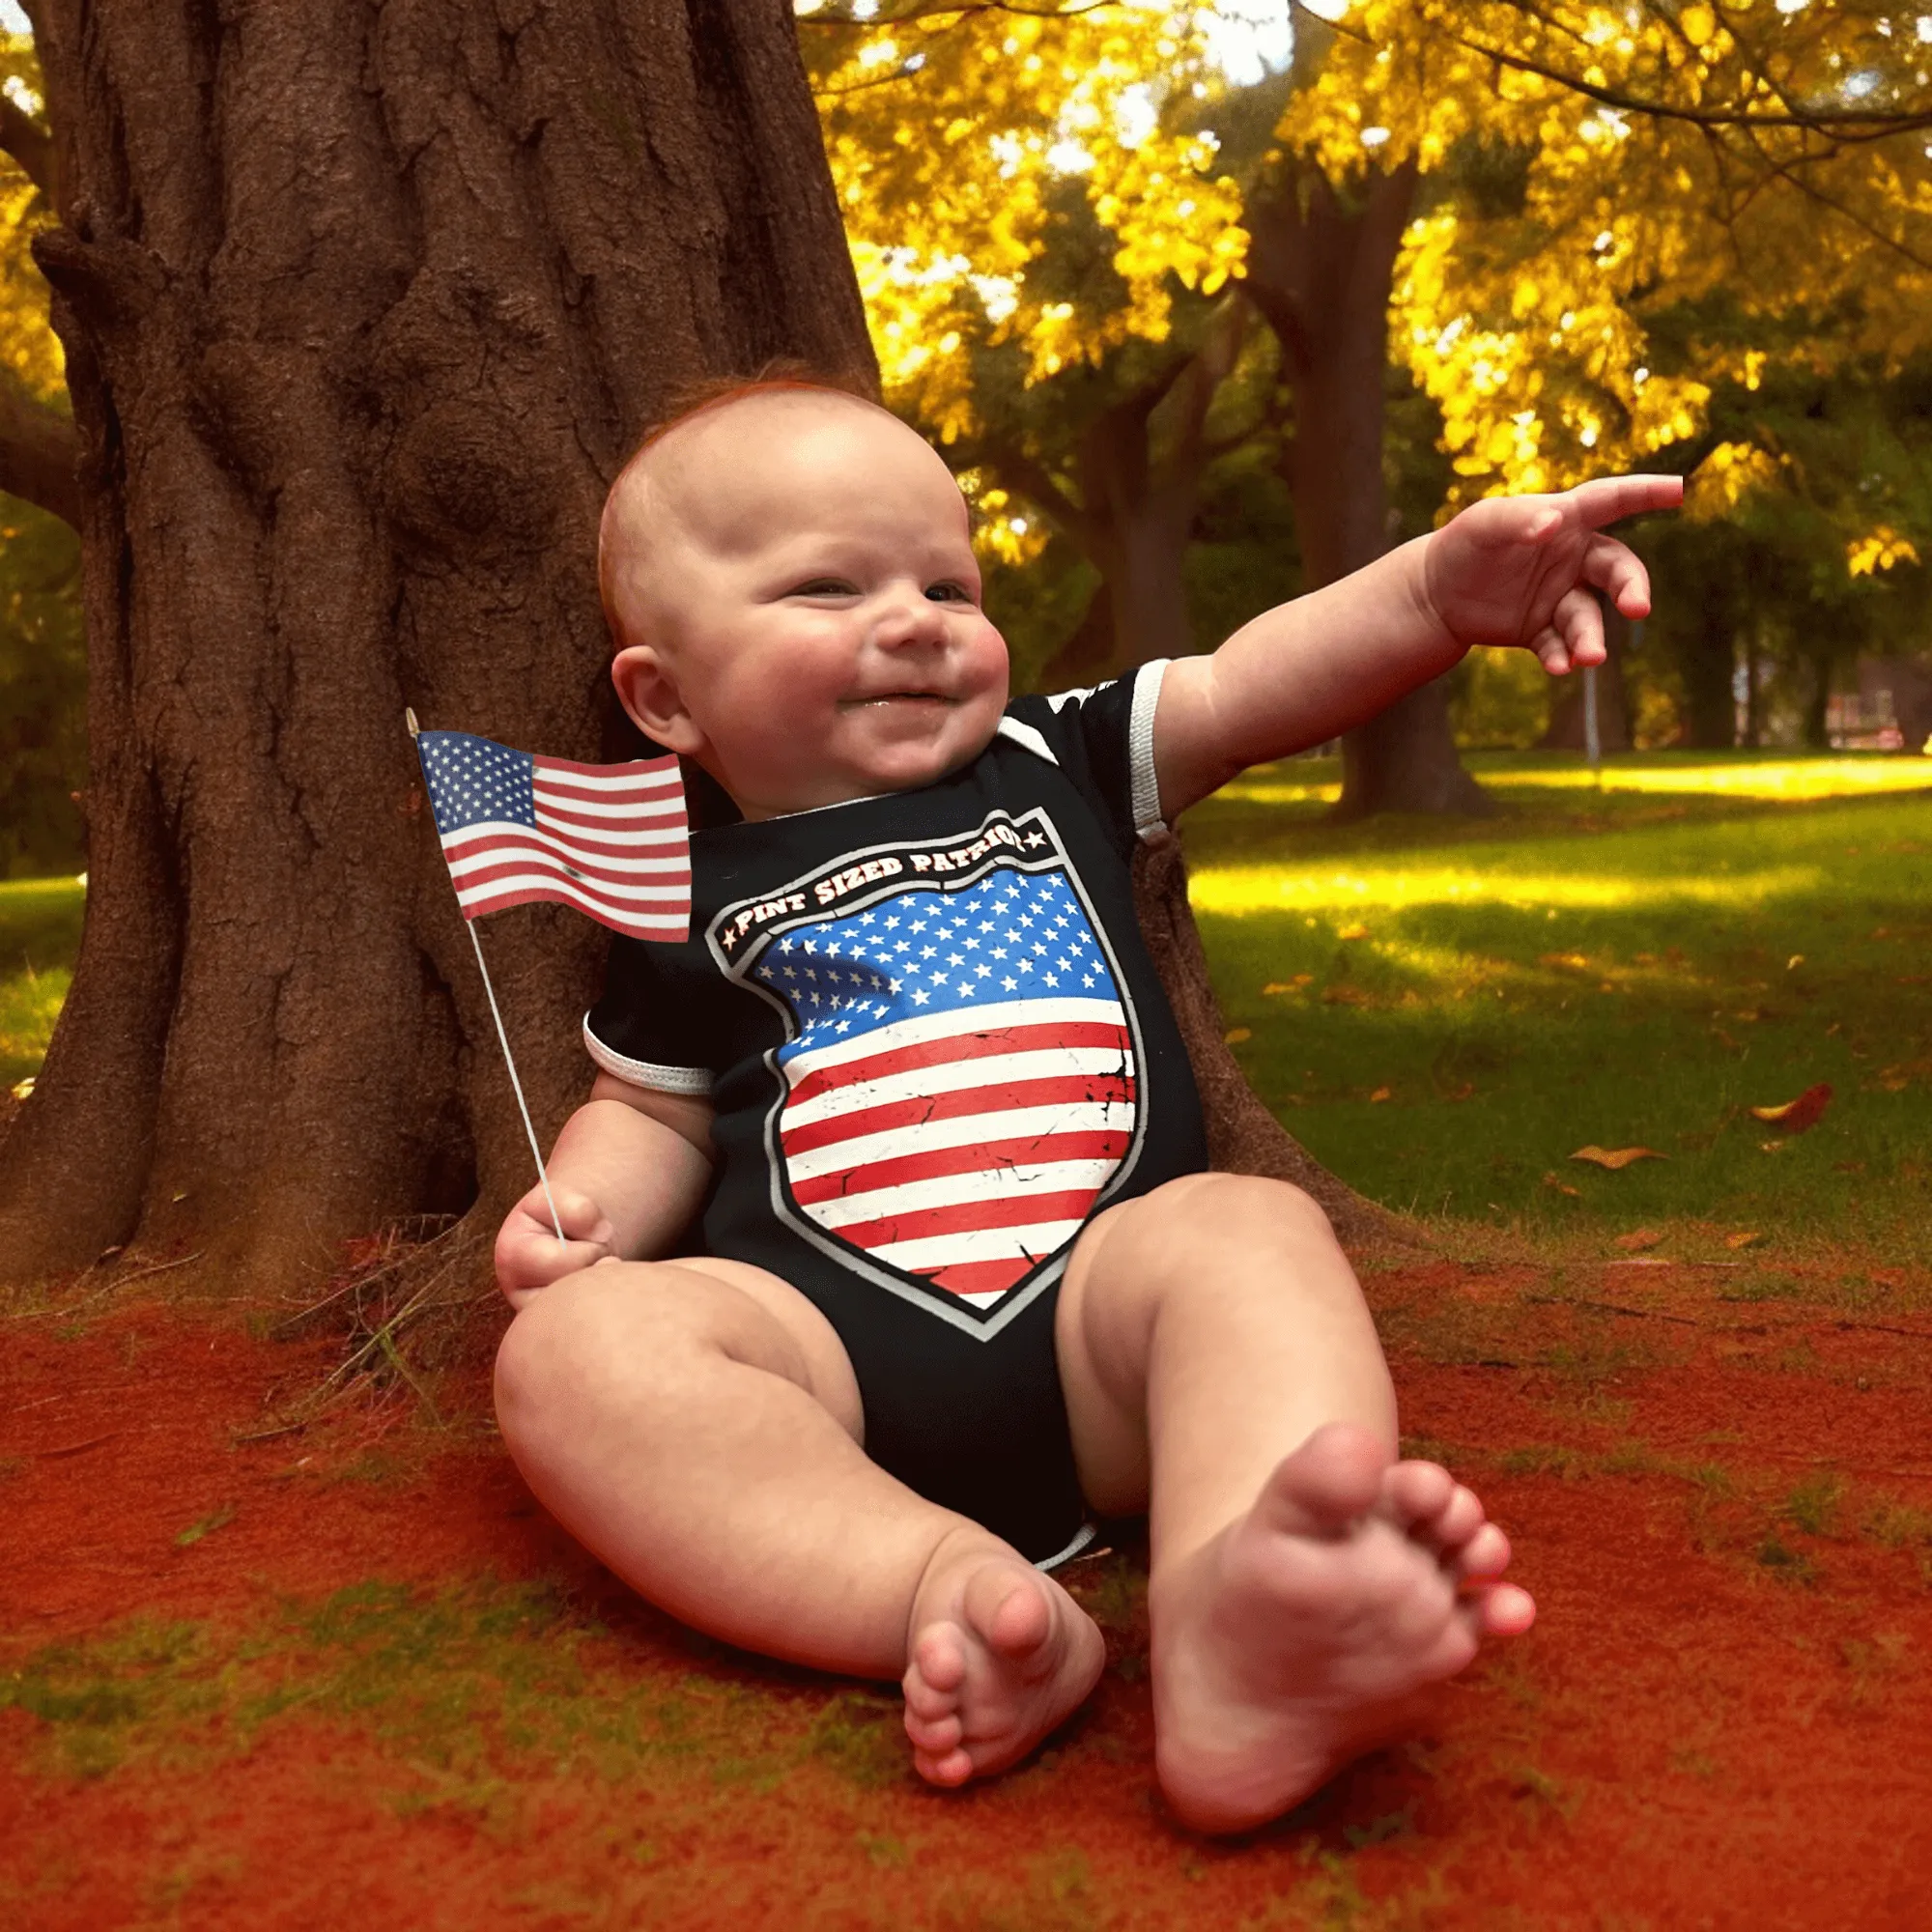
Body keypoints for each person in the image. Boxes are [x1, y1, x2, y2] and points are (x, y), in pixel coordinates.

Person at [491, 377, 1680, 1833]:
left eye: (951, 581)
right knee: (573, 1355)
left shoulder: (1052, 759)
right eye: (825, 587)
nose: (919, 618)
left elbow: (1255, 678)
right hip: (825, 1381)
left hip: (1105, 1346)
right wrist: (587, 1209)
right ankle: (941, 1589)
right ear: (665, 695)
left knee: (1244, 1232)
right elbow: (656, 1109)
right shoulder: (677, 887)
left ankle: (1241, 1606)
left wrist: (1436, 588)